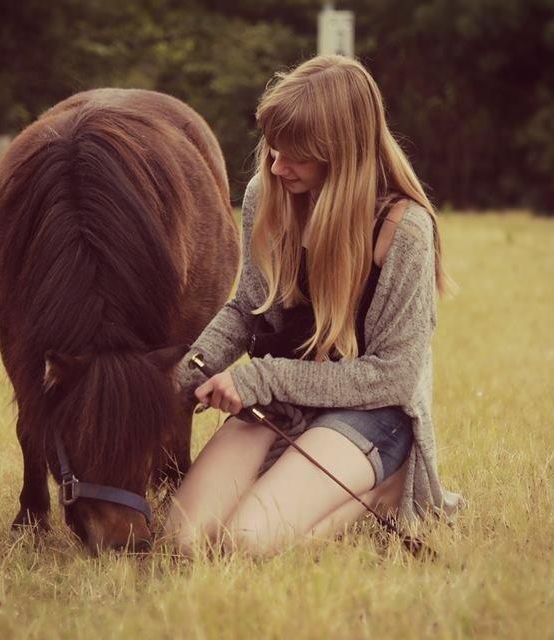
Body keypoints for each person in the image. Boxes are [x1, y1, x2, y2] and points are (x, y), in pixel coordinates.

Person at [165, 55, 464, 556]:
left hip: (370, 414)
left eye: (296, 157)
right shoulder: (270, 192)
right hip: (283, 403)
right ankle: (297, 474)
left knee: (243, 544)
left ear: (342, 154)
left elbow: (392, 377)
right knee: (184, 541)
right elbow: (246, 310)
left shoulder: (404, 230)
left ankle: (386, 491)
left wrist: (260, 379)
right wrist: (180, 378)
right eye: (274, 151)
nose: (278, 167)